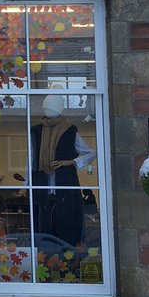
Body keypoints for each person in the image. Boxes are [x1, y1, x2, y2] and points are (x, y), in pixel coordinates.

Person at [30, 94, 96, 247]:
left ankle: (68, 258)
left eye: (51, 106)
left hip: (66, 189)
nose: (47, 110)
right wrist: (27, 184)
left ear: (59, 109)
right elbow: (31, 159)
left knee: (67, 229)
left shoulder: (69, 131)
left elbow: (91, 153)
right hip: (42, 190)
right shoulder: (37, 131)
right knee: (44, 230)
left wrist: (71, 162)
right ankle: (45, 258)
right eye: (46, 107)